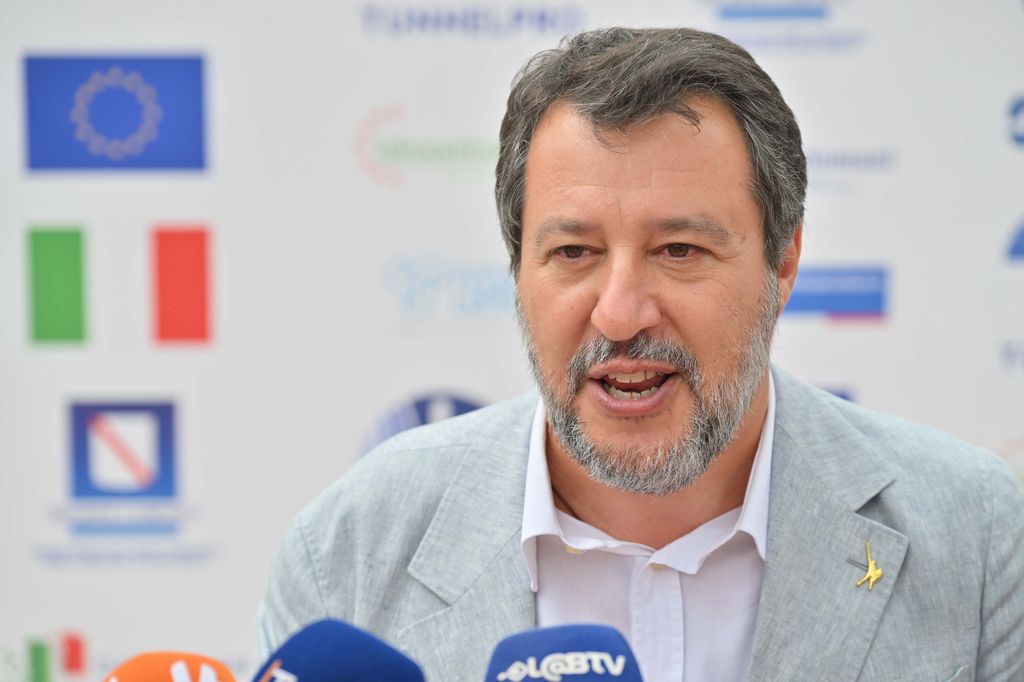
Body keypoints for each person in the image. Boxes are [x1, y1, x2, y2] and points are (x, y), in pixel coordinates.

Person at [259, 27, 1024, 681]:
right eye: (574, 252)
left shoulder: (979, 538)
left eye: (679, 249)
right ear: (517, 269)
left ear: (784, 263)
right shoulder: (350, 551)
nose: (620, 313)